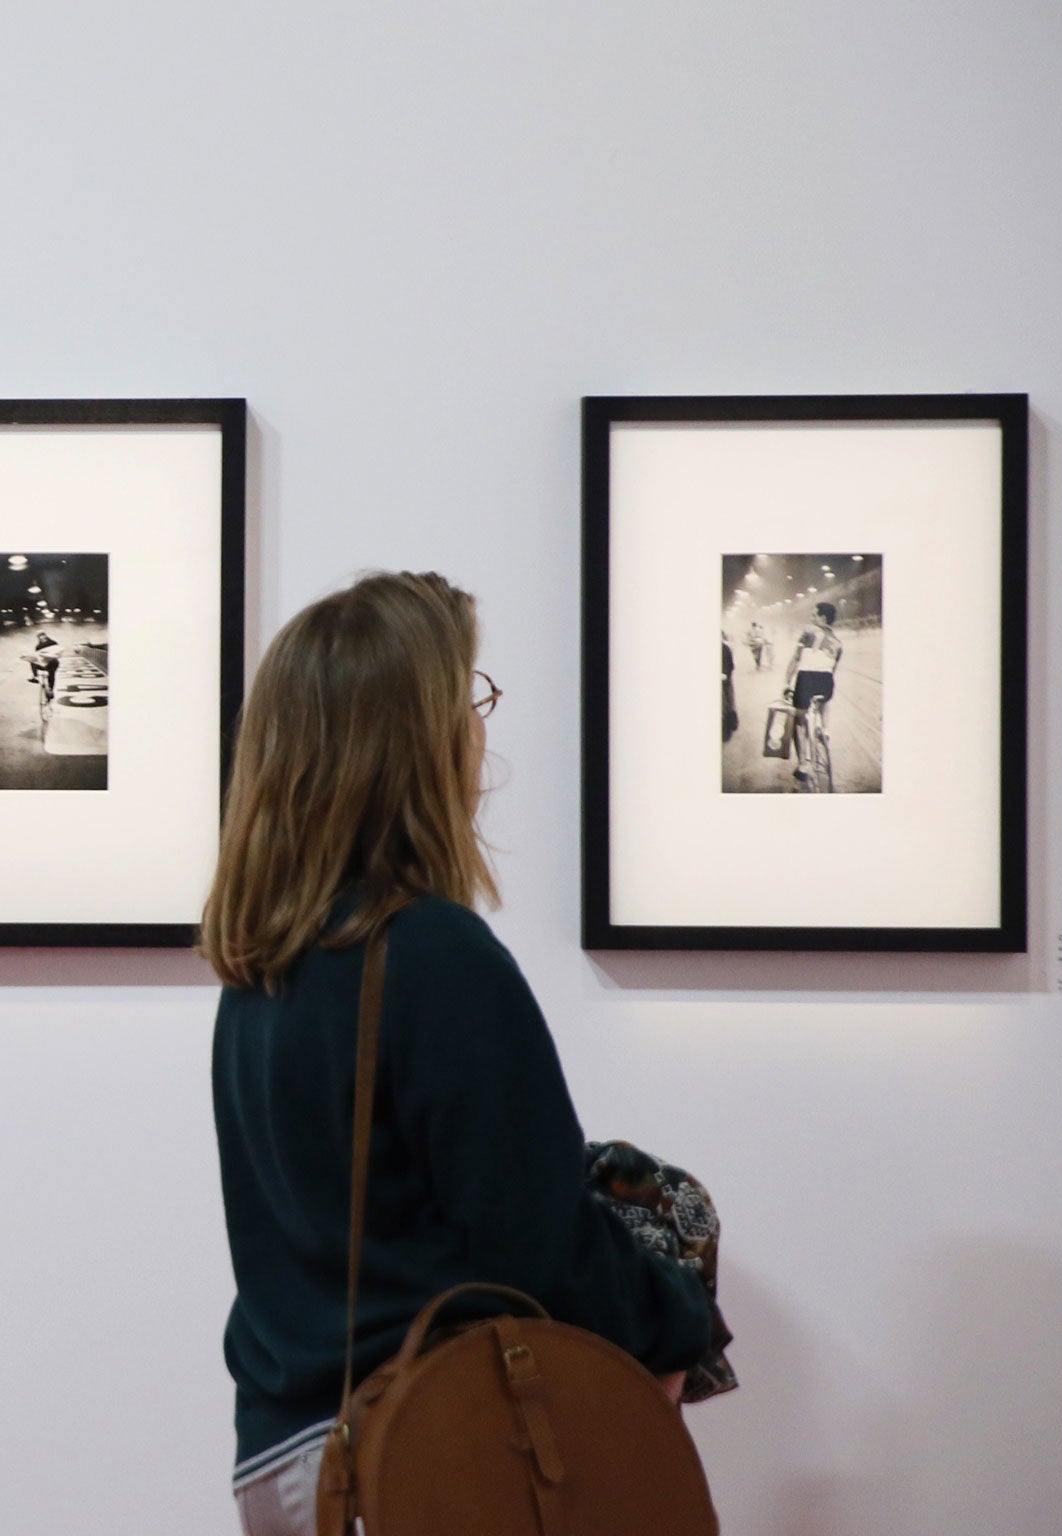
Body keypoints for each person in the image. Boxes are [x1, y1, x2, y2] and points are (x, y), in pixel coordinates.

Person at [202, 572, 714, 1536]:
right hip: (421, 1447)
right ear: (415, 739)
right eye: (468, 695)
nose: (481, 728)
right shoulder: (430, 952)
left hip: (293, 1454)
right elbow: (533, 1244)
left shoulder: (262, 963)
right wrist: (676, 1311)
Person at [783, 601, 843, 783]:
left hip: (806, 680)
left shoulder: (808, 632)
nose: (811, 618)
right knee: (824, 700)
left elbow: (795, 659)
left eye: (814, 615)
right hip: (826, 684)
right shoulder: (838, 643)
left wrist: (786, 683)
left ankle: (802, 765)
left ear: (822, 618)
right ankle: (824, 729)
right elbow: (833, 669)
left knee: (797, 720)